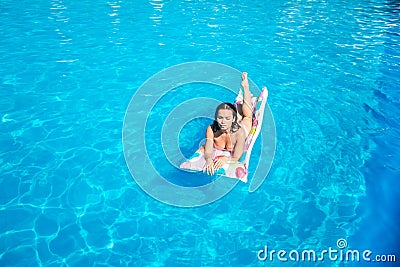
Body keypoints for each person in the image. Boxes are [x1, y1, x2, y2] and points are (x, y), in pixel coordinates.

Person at [181, 72, 255, 175]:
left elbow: (237, 156)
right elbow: (208, 149)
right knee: (234, 111)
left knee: (247, 116)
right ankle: (235, 109)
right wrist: (208, 159)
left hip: (241, 127)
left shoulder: (239, 133)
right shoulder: (211, 129)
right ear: (216, 118)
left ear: (233, 119)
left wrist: (226, 159)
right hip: (233, 120)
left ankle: (245, 87)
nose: (223, 122)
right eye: (220, 118)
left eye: (227, 118)